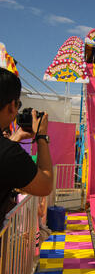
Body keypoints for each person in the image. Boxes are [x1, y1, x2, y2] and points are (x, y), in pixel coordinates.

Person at [0, 67, 53, 229]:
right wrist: (41, 137)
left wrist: (17, 137)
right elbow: (45, 184)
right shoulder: (10, 154)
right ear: (11, 106)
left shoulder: (8, 151)